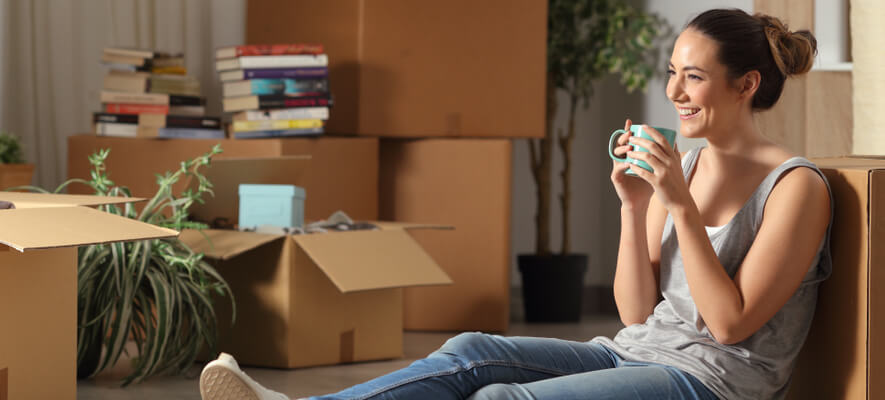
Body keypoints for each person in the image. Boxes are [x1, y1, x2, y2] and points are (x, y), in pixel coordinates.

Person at [199, 8, 831, 400]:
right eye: (672, 71)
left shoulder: (796, 187)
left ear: (745, 85)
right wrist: (634, 207)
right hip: (636, 351)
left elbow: (727, 326)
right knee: (472, 351)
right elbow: (638, 313)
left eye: (693, 76)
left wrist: (680, 208)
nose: (673, 91)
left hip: (712, 384)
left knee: (501, 399)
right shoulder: (684, 169)